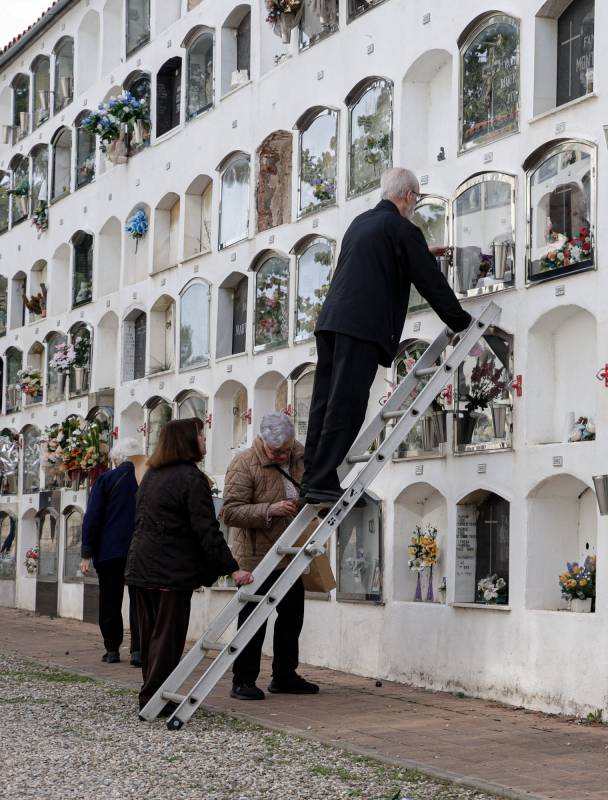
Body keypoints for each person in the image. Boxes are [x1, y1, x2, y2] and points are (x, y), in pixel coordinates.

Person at [302, 167, 472, 504]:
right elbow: (429, 282)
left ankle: (312, 478)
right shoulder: (402, 229)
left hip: (331, 321)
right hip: (361, 326)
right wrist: (459, 319)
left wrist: (419, 251)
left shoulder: (361, 223)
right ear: (408, 196)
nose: (414, 205)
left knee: (323, 401)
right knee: (347, 403)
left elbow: (374, 262)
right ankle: (323, 481)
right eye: (416, 199)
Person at [125, 420, 253, 714]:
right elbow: (206, 529)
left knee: (151, 635)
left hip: (142, 564)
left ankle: (153, 694)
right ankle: (153, 699)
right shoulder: (191, 478)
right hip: (170, 569)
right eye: (200, 436)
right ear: (186, 442)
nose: (204, 441)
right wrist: (232, 568)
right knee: (167, 638)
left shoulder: (152, 474)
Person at [222, 412, 318, 700]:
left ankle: (285, 675)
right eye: (276, 452)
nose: (282, 456)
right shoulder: (243, 463)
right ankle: (243, 680)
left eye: (286, 450)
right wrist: (270, 510)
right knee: (253, 620)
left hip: (291, 552)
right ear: (262, 440)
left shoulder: (300, 456)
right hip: (256, 556)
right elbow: (230, 512)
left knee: (292, 616)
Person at [80, 438, 148, 666]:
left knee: (110, 600)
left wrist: (87, 552)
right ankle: (138, 650)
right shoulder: (147, 479)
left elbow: (93, 516)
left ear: (117, 459)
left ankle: (112, 649)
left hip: (110, 551)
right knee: (140, 600)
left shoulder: (106, 479)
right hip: (141, 550)